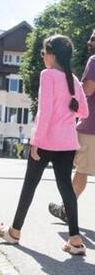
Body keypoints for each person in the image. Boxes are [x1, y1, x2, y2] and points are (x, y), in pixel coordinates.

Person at [0, 35, 89, 255]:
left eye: (43, 53)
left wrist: (35, 141)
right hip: (67, 143)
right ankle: (75, 241)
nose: (43, 57)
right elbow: (84, 112)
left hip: (46, 141)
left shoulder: (48, 76)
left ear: (52, 54)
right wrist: (70, 107)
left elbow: (44, 112)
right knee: (66, 189)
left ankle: (14, 231)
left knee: (30, 185)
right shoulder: (73, 79)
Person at [49, 29, 95, 223]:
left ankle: (67, 210)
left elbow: (88, 89)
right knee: (81, 168)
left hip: (90, 126)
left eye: (94, 38)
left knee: (81, 169)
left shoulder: (94, 61)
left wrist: (71, 91)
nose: (90, 40)